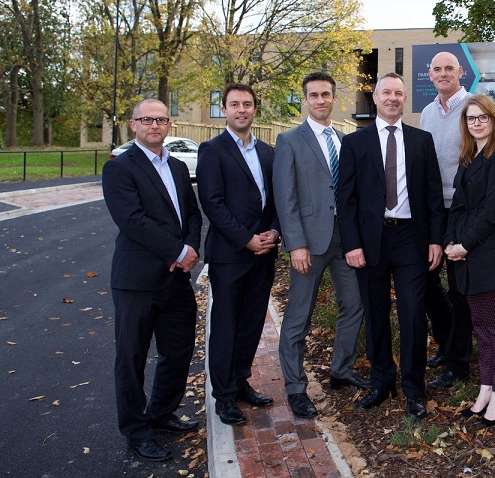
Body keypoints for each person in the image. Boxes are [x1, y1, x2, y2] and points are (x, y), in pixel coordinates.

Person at [337, 72, 445, 420]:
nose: (393, 98)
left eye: (399, 93)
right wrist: (351, 244)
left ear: (404, 98)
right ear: (375, 96)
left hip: (411, 239)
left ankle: (414, 389)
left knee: (413, 315)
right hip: (370, 242)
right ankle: (382, 381)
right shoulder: (355, 143)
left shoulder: (421, 140)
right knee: (376, 313)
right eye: (387, 92)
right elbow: (347, 200)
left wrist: (435, 240)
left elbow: (433, 196)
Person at [102, 98, 202, 462]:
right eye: (147, 119)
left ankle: (161, 413)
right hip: (137, 279)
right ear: (133, 125)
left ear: (169, 124)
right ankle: (136, 430)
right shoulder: (119, 168)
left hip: (176, 280)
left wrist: (191, 246)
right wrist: (178, 252)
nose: (154, 125)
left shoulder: (176, 167)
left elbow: (192, 213)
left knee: (178, 351)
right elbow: (132, 220)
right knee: (131, 357)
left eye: (161, 119)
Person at [273, 72, 369, 419]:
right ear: (306, 99)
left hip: (344, 241)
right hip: (309, 244)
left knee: (354, 305)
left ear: (333, 98)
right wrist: (294, 244)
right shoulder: (290, 140)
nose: (320, 100)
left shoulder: (345, 140)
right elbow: (285, 198)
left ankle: (340, 371)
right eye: (313, 95)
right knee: (299, 316)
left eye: (326, 94)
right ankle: (295, 387)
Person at [196, 83, 280, 426]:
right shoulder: (212, 150)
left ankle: (241, 382)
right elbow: (212, 204)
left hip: (264, 253)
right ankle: (224, 396)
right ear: (225, 110)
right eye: (234, 104)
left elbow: (276, 198)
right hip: (231, 254)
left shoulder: (268, 152)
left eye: (247, 104)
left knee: (250, 324)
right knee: (226, 326)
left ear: (254, 109)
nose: (241, 109)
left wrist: (274, 231)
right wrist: (246, 239)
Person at [444, 95, 495, 426]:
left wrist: (465, 244)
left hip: (487, 253)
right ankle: (486, 386)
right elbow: (458, 205)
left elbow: (492, 210)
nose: (476, 122)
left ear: (493, 120)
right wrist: (449, 241)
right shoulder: (468, 157)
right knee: (481, 328)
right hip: (465, 254)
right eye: (471, 118)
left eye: (482, 117)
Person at [419, 51, 474, 388]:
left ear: (460, 71)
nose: (442, 74)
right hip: (431, 210)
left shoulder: (472, 108)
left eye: (448, 68)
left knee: (459, 289)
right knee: (426, 283)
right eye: (436, 69)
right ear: (430, 74)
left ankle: (459, 362)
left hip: (461, 211)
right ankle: (446, 342)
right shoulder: (426, 113)